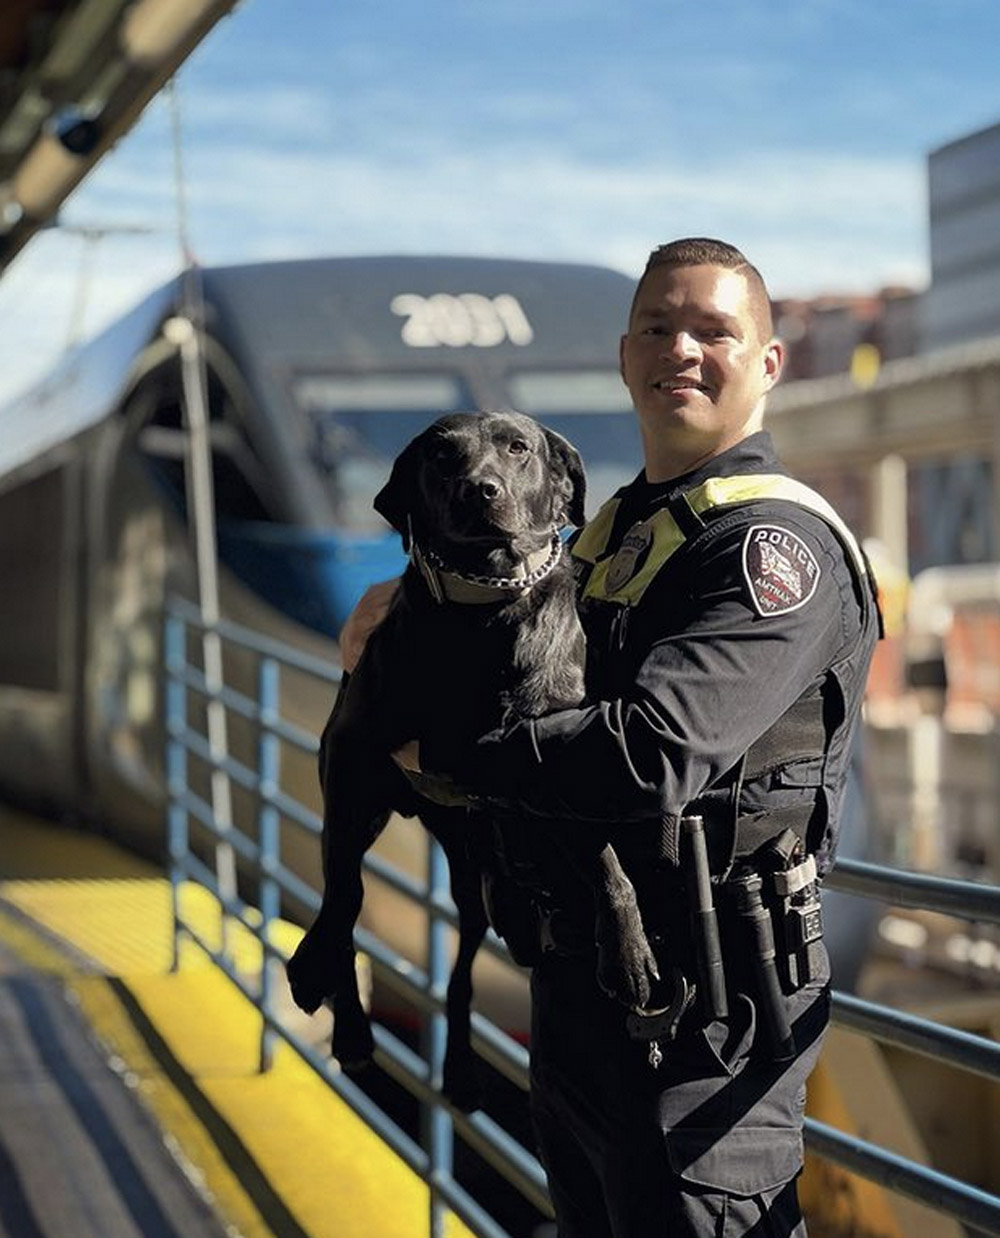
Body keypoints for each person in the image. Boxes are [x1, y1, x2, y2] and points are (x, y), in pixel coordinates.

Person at [342, 238, 881, 1237]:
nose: (681, 349)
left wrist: (446, 758)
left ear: (766, 363)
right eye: (658, 328)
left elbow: (652, 752)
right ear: (626, 357)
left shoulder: (774, 546)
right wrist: (398, 609)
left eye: (713, 330)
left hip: (707, 1027)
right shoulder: (611, 536)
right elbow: (494, 640)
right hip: (583, 994)